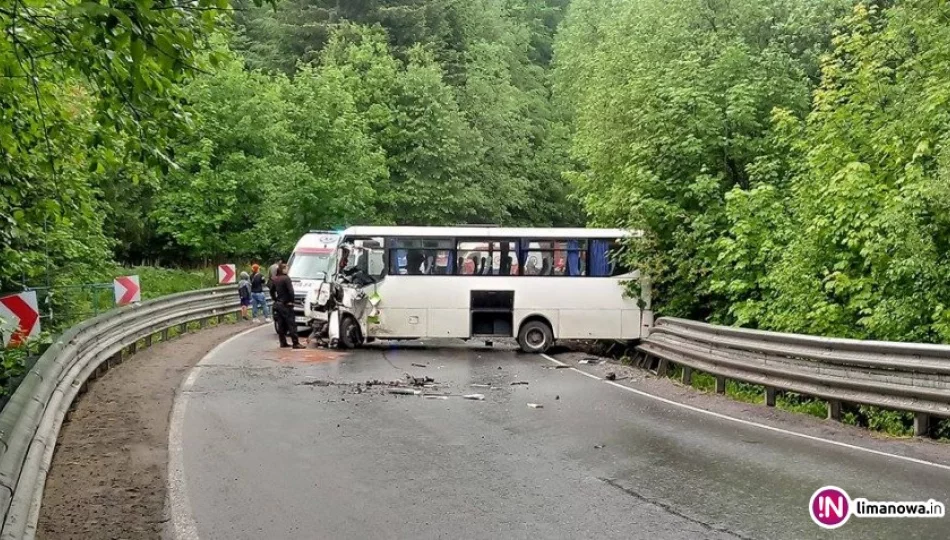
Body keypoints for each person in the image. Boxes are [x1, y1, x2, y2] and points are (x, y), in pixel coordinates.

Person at [269, 262, 304, 349]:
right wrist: (291, 301)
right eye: (286, 268)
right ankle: (295, 343)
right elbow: (291, 291)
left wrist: (275, 299)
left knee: (281, 324)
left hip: (278, 304)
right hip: (286, 304)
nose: (288, 270)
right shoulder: (286, 279)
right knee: (291, 324)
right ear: (283, 269)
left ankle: (283, 342)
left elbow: (271, 290)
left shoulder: (275, 279)